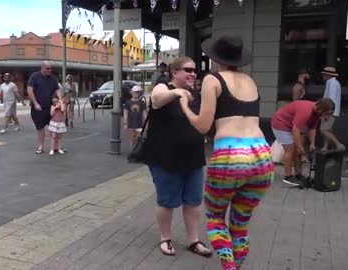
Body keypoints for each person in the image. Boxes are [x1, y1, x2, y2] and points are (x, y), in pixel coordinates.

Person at [178, 35, 274, 270]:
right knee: (239, 226)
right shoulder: (251, 81)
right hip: (262, 156)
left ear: (214, 58)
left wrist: (184, 106)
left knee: (216, 219)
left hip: (231, 157)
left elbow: (202, 125)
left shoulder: (213, 79)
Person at [143, 56, 212, 258]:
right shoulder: (162, 87)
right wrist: (177, 92)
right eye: (187, 70)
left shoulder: (197, 94)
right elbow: (156, 99)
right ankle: (165, 238)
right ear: (175, 73)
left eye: (194, 70)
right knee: (167, 201)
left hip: (193, 157)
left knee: (193, 201)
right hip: (165, 157)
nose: (192, 73)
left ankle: (193, 240)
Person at [272, 98, 335, 186]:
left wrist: (312, 144)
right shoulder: (305, 111)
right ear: (322, 108)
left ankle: (298, 175)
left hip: (291, 125)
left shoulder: (316, 113)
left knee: (297, 152)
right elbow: (296, 130)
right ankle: (288, 176)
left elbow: (312, 129)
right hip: (280, 123)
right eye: (327, 113)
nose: (327, 116)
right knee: (290, 150)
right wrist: (300, 147)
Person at [27, 61, 62, 154]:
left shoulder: (53, 78)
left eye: (51, 68)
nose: (50, 70)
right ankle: (40, 146)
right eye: (47, 68)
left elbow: (57, 90)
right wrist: (35, 103)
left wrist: (60, 99)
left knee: (54, 127)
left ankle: (55, 147)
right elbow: (30, 90)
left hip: (51, 107)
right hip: (38, 108)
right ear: (42, 68)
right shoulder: (35, 76)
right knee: (41, 128)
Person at [320, 66, 345, 151]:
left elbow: (331, 98)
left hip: (329, 111)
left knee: (324, 130)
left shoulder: (332, 83)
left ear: (327, 75)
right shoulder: (334, 82)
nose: (323, 76)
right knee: (328, 130)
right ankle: (325, 147)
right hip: (332, 110)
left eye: (324, 74)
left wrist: (326, 112)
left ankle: (338, 144)